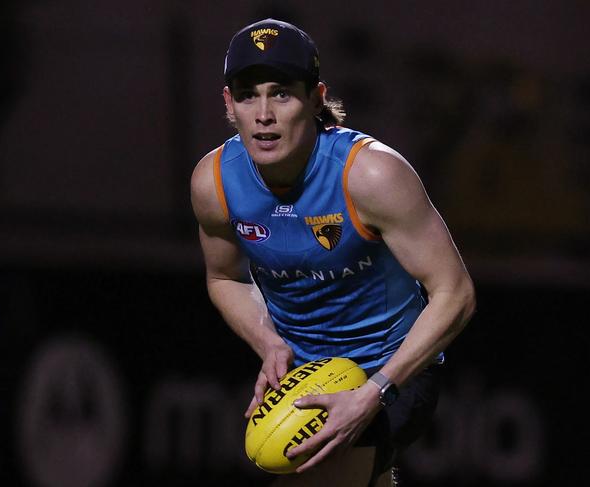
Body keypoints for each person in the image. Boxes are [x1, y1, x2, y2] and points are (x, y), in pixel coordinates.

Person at [191, 18, 476, 487]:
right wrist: (268, 342)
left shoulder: (370, 177)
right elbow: (225, 279)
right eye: (247, 95)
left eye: (281, 93)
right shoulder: (214, 183)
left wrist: (374, 392)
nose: (264, 113)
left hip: (393, 371)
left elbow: (456, 293)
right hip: (307, 375)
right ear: (229, 104)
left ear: (316, 98)